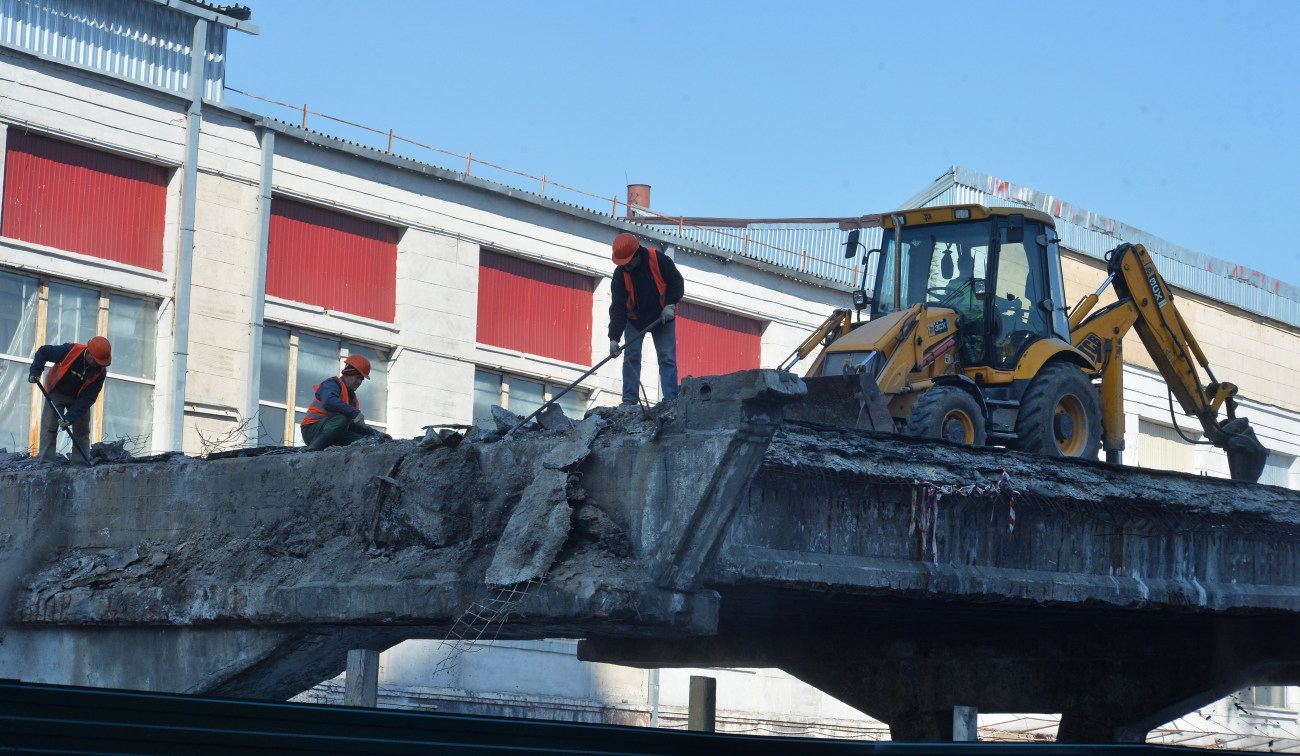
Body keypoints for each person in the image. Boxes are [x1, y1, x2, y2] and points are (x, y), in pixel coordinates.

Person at [607, 232, 685, 405]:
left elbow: (677, 282)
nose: (625, 267)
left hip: (662, 317)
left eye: (627, 263)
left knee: (667, 358)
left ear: (636, 255)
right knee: (631, 356)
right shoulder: (620, 273)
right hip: (635, 319)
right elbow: (618, 307)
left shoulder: (657, 259)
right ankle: (629, 400)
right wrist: (614, 338)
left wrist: (670, 305)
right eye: (622, 264)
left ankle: (671, 399)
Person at [28, 336, 112, 465]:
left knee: (82, 431)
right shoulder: (70, 351)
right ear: (89, 352)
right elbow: (43, 352)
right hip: (57, 392)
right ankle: (46, 463)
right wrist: (35, 372)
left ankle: (80, 464)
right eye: (96, 361)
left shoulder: (100, 372)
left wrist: (70, 417)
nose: (98, 364)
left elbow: (89, 397)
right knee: (49, 427)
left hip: (79, 398)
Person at [299, 354, 390, 450]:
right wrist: (354, 413)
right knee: (341, 419)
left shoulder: (353, 399)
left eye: (361, 379)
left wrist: (377, 435)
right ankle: (313, 449)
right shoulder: (332, 384)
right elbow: (328, 401)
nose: (359, 382)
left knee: (364, 441)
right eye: (357, 377)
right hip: (311, 430)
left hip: (334, 433)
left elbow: (354, 426)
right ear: (347, 374)